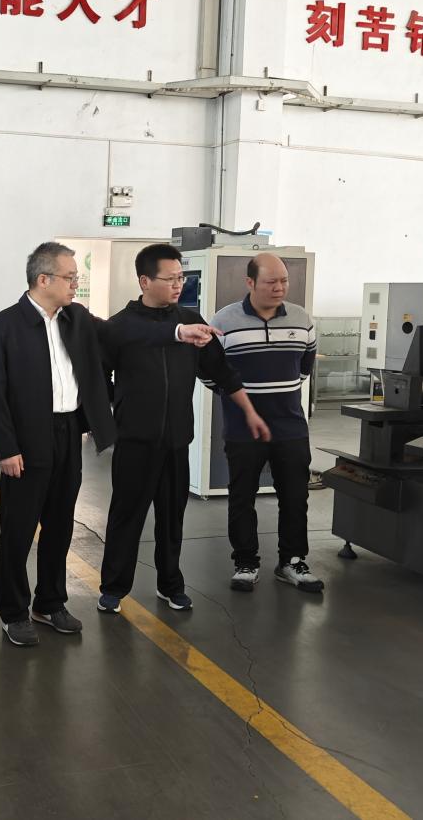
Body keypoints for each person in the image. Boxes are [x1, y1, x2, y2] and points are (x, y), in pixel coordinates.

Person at [0, 241, 198, 646]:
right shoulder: (4, 325)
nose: (74, 284)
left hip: (68, 432)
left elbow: (124, 331)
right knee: (18, 530)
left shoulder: (76, 317)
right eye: (70, 277)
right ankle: (14, 612)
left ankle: (49, 603)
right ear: (43, 280)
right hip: (26, 440)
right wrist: (6, 448)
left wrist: (177, 331)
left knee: (60, 524)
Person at [98, 244, 270, 615]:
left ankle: (170, 585)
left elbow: (221, 372)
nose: (179, 285)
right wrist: (120, 411)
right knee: (126, 517)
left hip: (177, 442)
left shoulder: (192, 321)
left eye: (182, 277)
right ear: (145, 281)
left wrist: (250, 412)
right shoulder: (120, 326)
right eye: (170, 278)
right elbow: (99, 376)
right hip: (135, 443)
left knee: (172, 519)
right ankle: (113, 587)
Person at [211, 252, 324, 593]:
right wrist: (243, 403)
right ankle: (245, 562)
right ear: (250, 282)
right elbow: (210, 373)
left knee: (295, 496)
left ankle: (292, 561)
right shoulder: (225, 321)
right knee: (241, 496)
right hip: (243, 429)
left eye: (284, 281)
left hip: (290, 427)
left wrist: (277, 394)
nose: (279, 288)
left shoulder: (302, 319)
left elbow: (304, 368)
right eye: (271, 282)